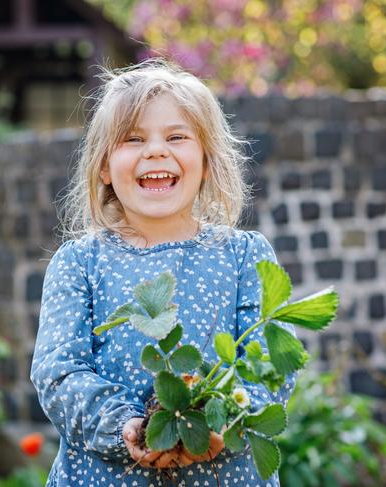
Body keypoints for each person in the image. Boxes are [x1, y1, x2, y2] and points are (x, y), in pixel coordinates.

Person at [30, 58, 297, 486]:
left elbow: (271, 365)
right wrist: (127, 427)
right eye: (133, 139)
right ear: (103, 167)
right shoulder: (79, 262)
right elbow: (59, 373)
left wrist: (223, 419)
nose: (156, 150)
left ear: (206, 161)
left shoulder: (245, 256)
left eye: (177, 136)